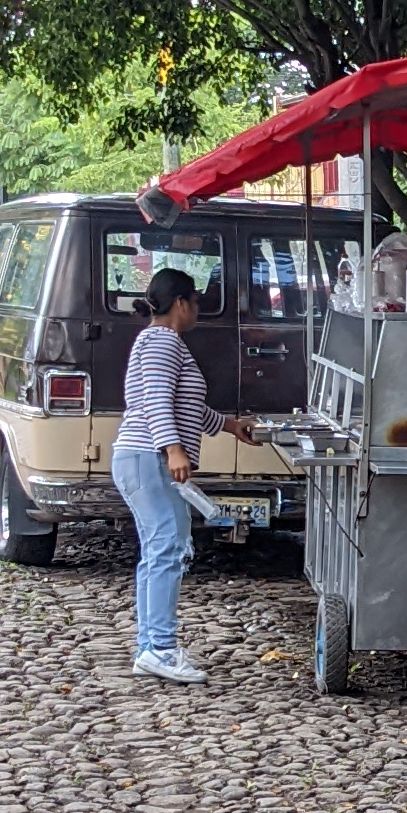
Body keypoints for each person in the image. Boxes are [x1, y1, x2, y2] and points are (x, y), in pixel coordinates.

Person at [111, 268, 254, 684]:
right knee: (168, 550)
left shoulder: (165, 344)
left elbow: (184, 404)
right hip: (147, 457)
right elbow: (157, 400)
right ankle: (160, 647)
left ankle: (151, 645)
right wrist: (173, 449)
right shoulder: (161, 342)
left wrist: (228, 425)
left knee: (159, 552)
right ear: (180, 304)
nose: (197, 312)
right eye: (195, 303)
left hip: (142, 457)